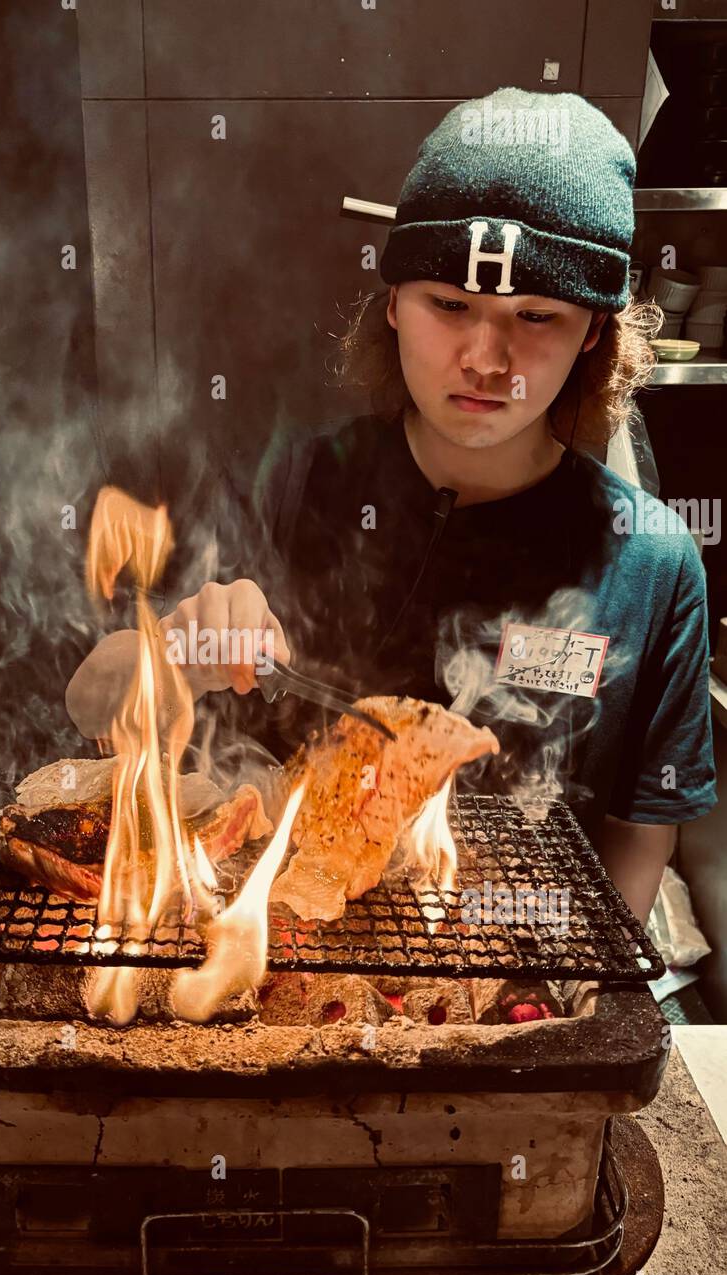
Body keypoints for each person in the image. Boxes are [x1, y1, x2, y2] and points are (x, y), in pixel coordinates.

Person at [66, 87, 717, 925]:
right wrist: (181, 654)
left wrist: (586, 1004)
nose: (486, 358)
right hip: (292, 953)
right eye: (449, 305)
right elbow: (90, 701)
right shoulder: (291, 484)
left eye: (536, 316)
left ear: (594, 332)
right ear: (394, 305)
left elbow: (640, 831)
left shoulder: (650, 561)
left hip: (513, 966)